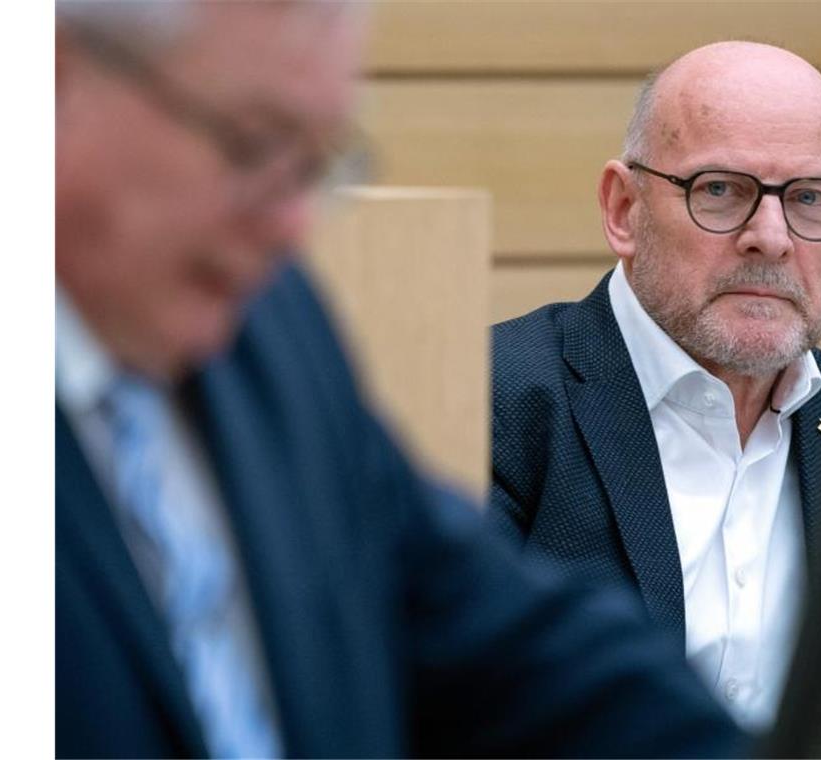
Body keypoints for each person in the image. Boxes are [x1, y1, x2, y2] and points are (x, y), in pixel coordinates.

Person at [55, 3, 752, 757]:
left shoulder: (268, 326)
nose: (293, 223)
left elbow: (488, 627)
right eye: (251, 145)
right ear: (56, 79)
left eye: (315, 163)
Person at [489, 41, 821, 746]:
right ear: (623, 208)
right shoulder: (497, 400)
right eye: (720, 190)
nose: (770, 238)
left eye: (810, 199)